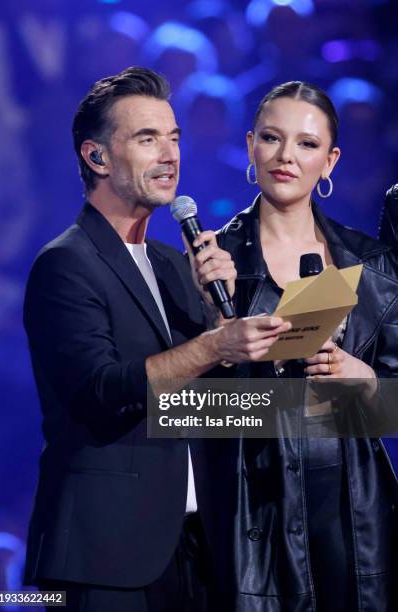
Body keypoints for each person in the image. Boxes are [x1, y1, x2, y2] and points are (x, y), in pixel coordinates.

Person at [22, 67, 292, 612]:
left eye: (174, 139)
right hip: (105, 552)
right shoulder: (66, 264)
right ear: (97, 157)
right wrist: (216, 345)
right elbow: (101, 392)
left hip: (195, 548)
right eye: (147, 139)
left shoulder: (176, 266)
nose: (169, 155)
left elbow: (203, 407)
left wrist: (224, 321)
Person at [216, 81, 398, 611]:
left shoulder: (374, 267)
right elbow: (178, 410)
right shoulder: (212, 264)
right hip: (251, 515)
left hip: (354, 517)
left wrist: (365, 386)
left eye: (307, 144)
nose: (286, 157)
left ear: (331, 159)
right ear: (251, 145)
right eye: (272, 139)